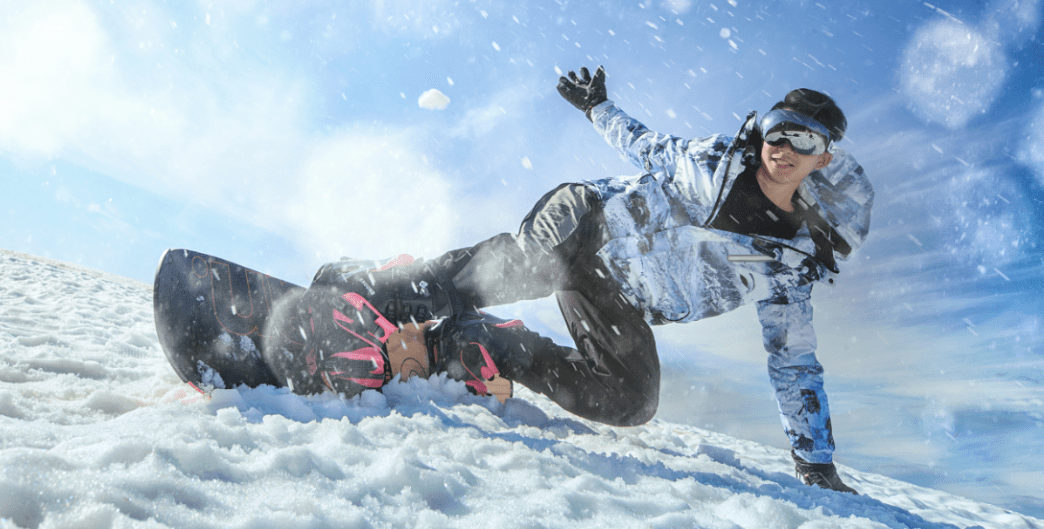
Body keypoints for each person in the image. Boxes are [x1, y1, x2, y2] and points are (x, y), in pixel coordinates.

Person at [263, 67, 873, 494]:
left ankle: (475, 344)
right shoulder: (712, 165)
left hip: (615, 294)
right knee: (523, 266)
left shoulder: (790, 269)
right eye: (779, 129)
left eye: (805, 139)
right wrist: (596, 106)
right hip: (589, 220)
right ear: (764, 129)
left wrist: (814, 459)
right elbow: (646, 144)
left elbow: (795, 365)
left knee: (632, 401)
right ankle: (367, 287)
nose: (784, 147)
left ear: (823, 157)